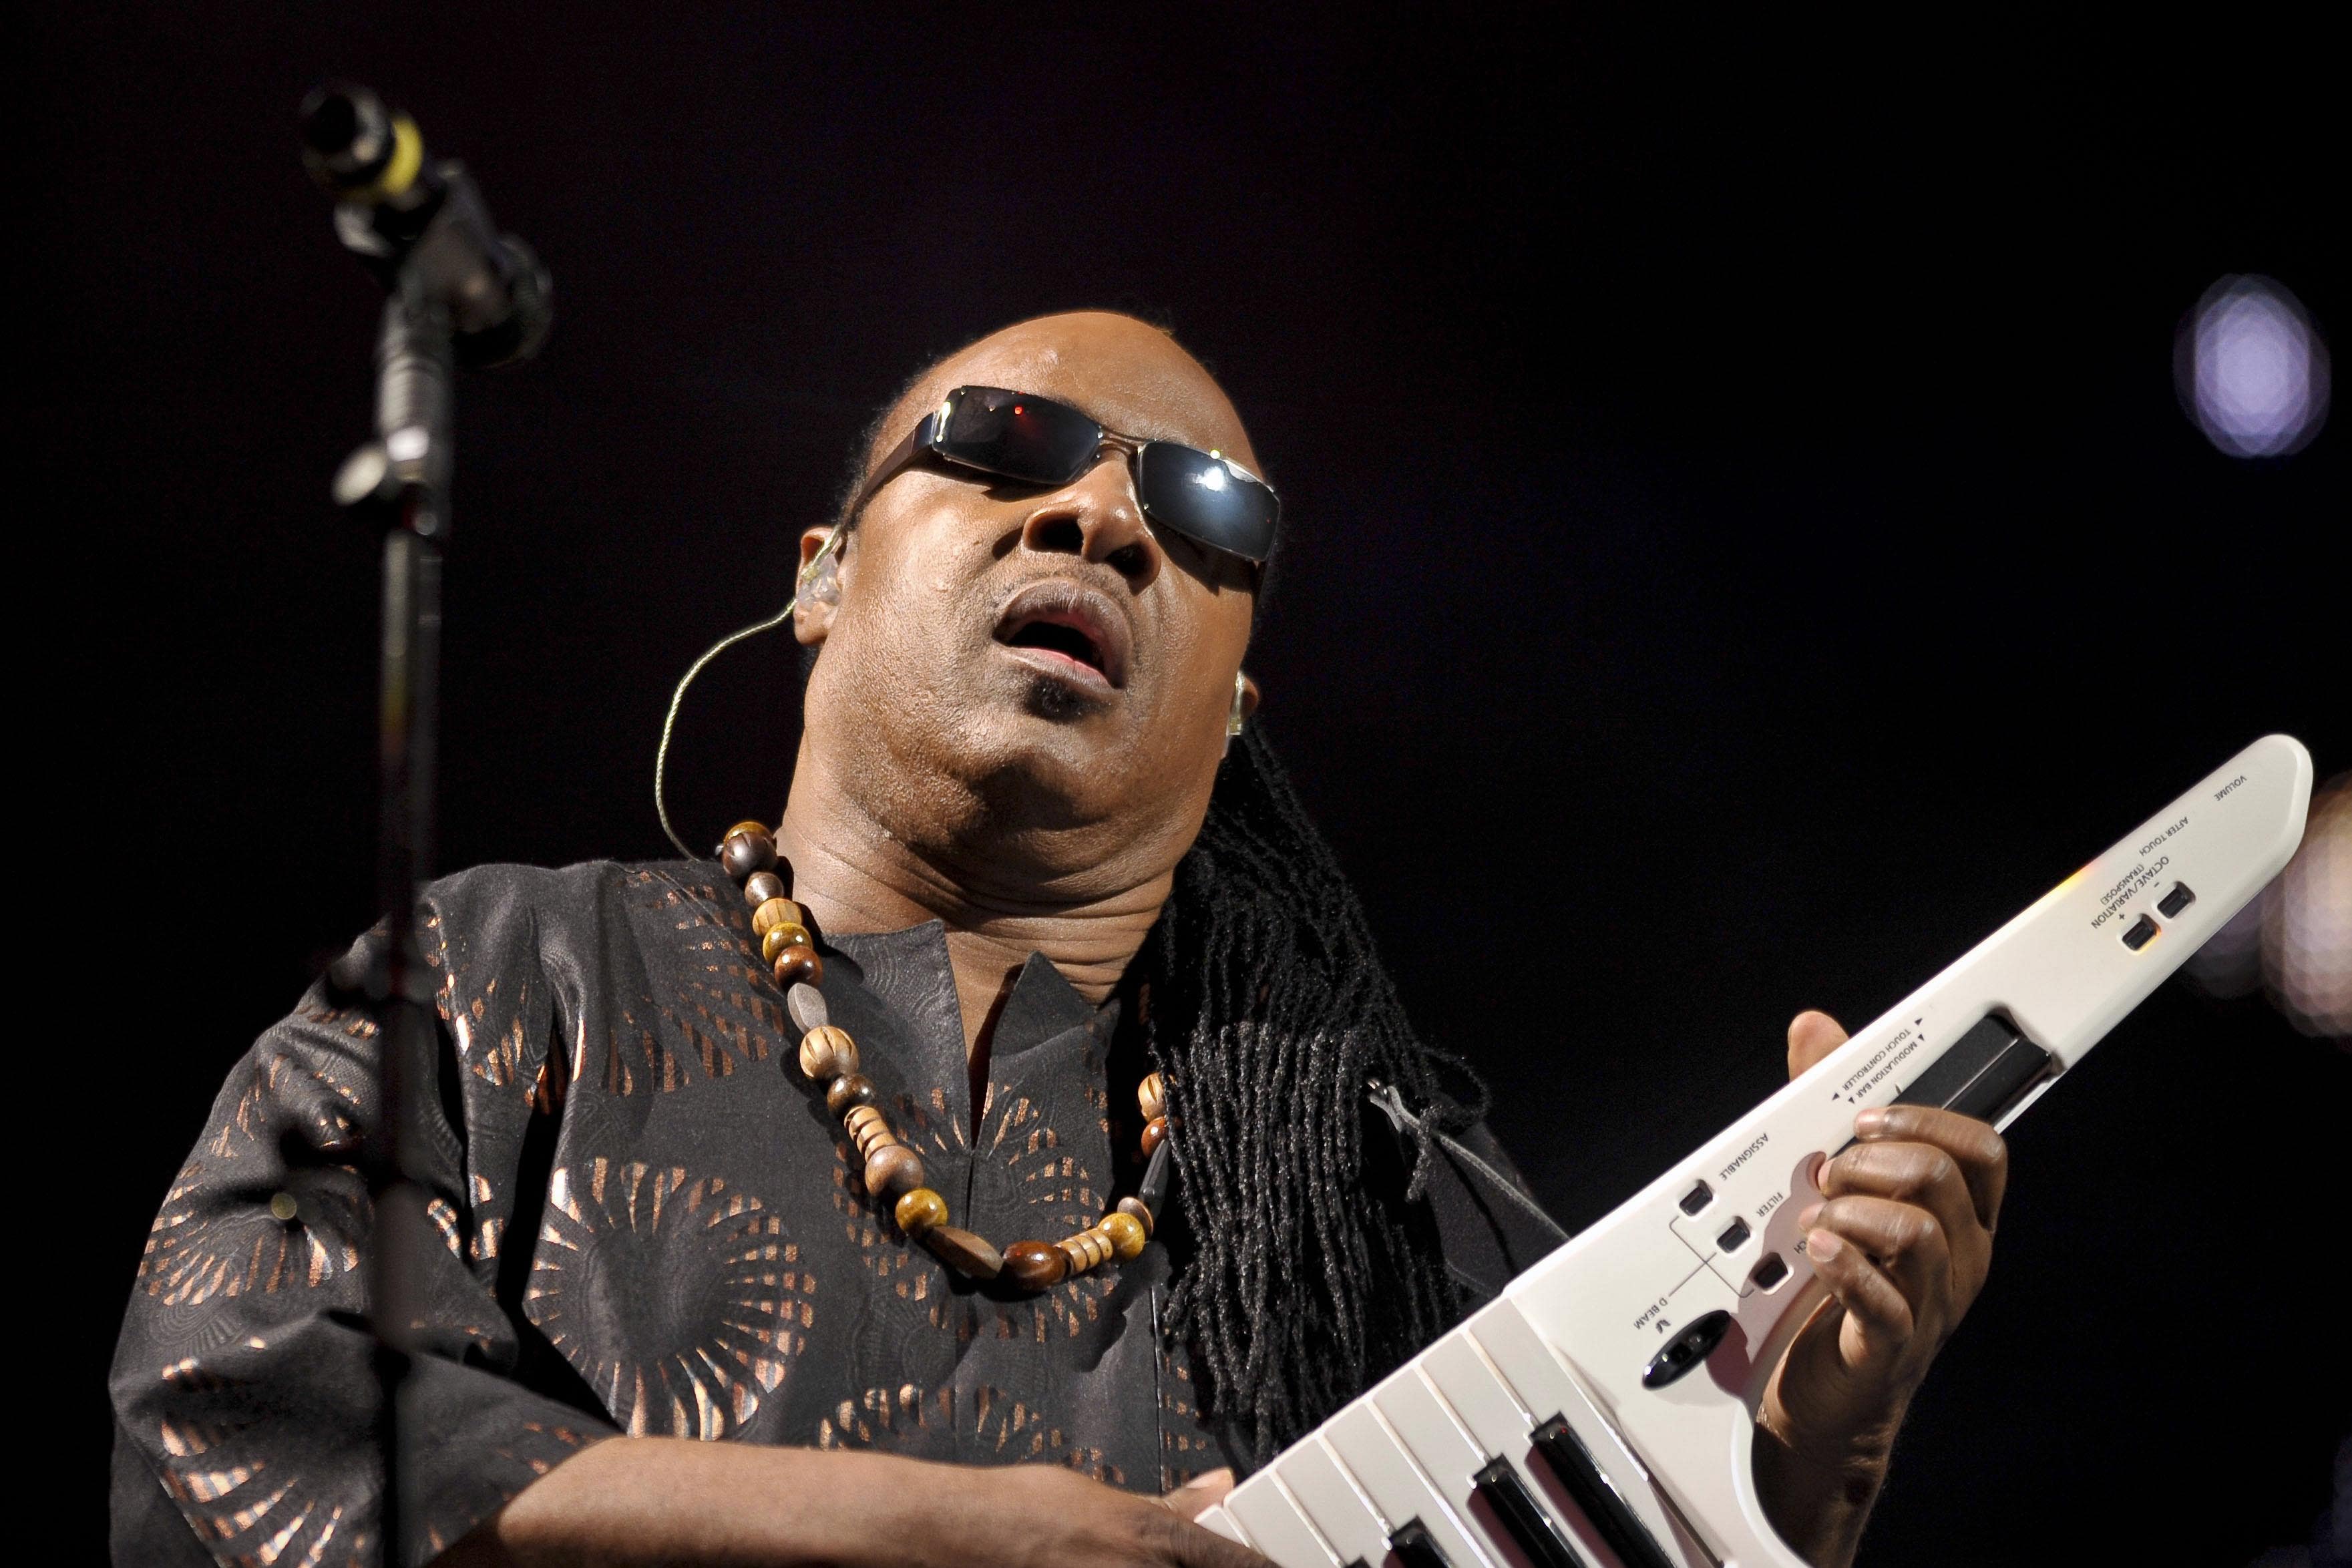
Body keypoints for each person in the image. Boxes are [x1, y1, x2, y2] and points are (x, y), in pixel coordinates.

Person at [110, 311, 2011, 1568]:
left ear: (1242, 702)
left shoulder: (1370, 1181)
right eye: (1007, 441)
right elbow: (229, 1405)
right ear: (822, 573)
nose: (1100, 513)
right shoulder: (504, 973)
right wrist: (956, 1538)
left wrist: (1805, 1448)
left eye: (1199, 508)